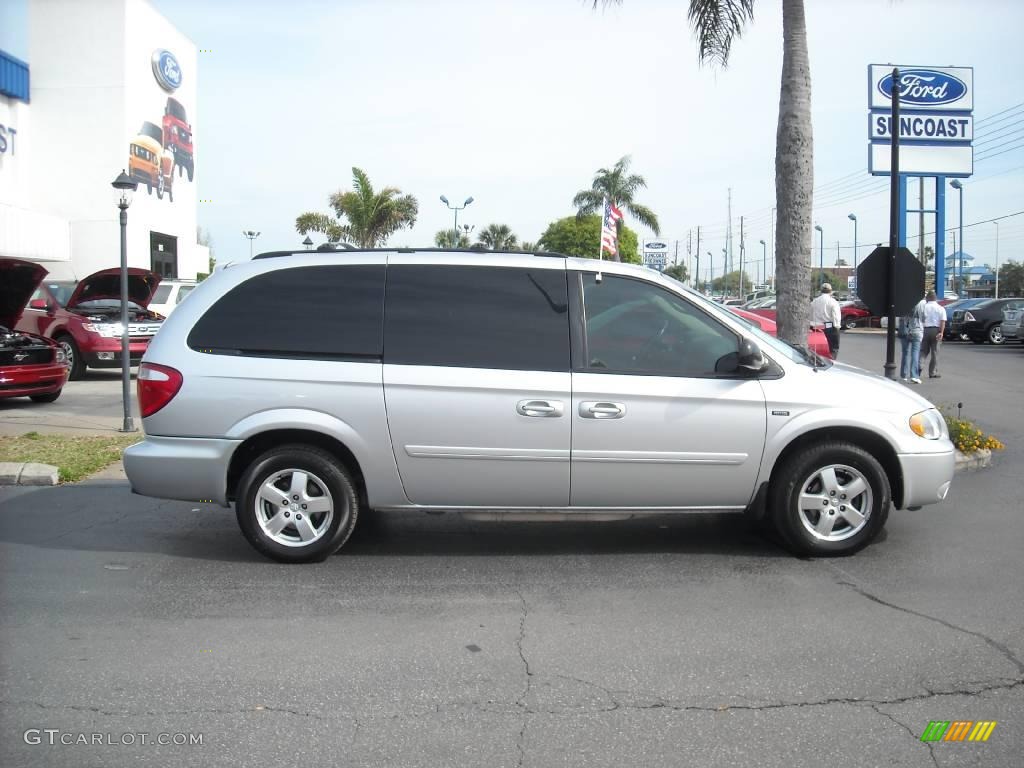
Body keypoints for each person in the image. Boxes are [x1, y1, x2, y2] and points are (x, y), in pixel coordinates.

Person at [898, 298, 926, 384]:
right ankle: (914, 376)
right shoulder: (922, 303)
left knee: (905, 353)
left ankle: (903, 375)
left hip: (905, 329)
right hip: (917, 330)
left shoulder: (903, 302)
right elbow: (924, 317)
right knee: (915, 353)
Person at [810, 283, 842, 358]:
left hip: (816, 327)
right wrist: (837, 327)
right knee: (832, 349)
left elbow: (810, 314)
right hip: (829, 328)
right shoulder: (833, 302)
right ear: (830, 291)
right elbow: (836, 316)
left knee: (817, 349)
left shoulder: (814, 301)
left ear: (821, 291)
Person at [920, 290, 947, 378]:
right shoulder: (940, 308)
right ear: (935, 298)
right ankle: (932, 372)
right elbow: (942, 321)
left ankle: (919, 366)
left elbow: (920, 320)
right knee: (935, 352)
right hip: (936, 330)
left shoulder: (923, 307)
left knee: (923, 351)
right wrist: (941, 332)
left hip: (925, 330)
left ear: (927, 298)